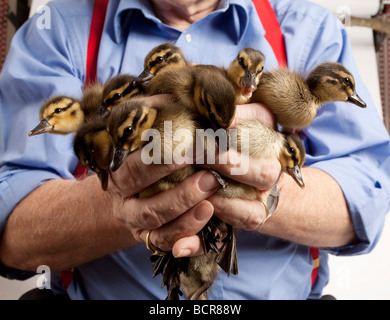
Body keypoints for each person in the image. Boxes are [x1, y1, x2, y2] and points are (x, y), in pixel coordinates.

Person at [0, 0, 389, 300]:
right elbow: (12, 229)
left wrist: (262, 186)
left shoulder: (309, 27)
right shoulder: (57, 31)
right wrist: (122, 201)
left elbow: (366, 198)